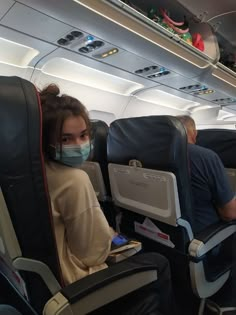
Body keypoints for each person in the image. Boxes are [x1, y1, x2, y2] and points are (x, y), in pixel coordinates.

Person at [39, 84, 176, 315]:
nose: (79, 145)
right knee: (158, 262)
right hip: (76, 285)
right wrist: (108, 236)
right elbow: (93, 254)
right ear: (48, 140)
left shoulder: (40, 170)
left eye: (83, 135)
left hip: (49, 281)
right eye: (66, 139)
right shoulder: (75, 179)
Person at [176, 115, 236, 234]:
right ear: (194, 133)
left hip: (172, 231)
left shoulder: (155, 156)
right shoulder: (206, 157)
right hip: (205, 235)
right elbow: (230, 214)